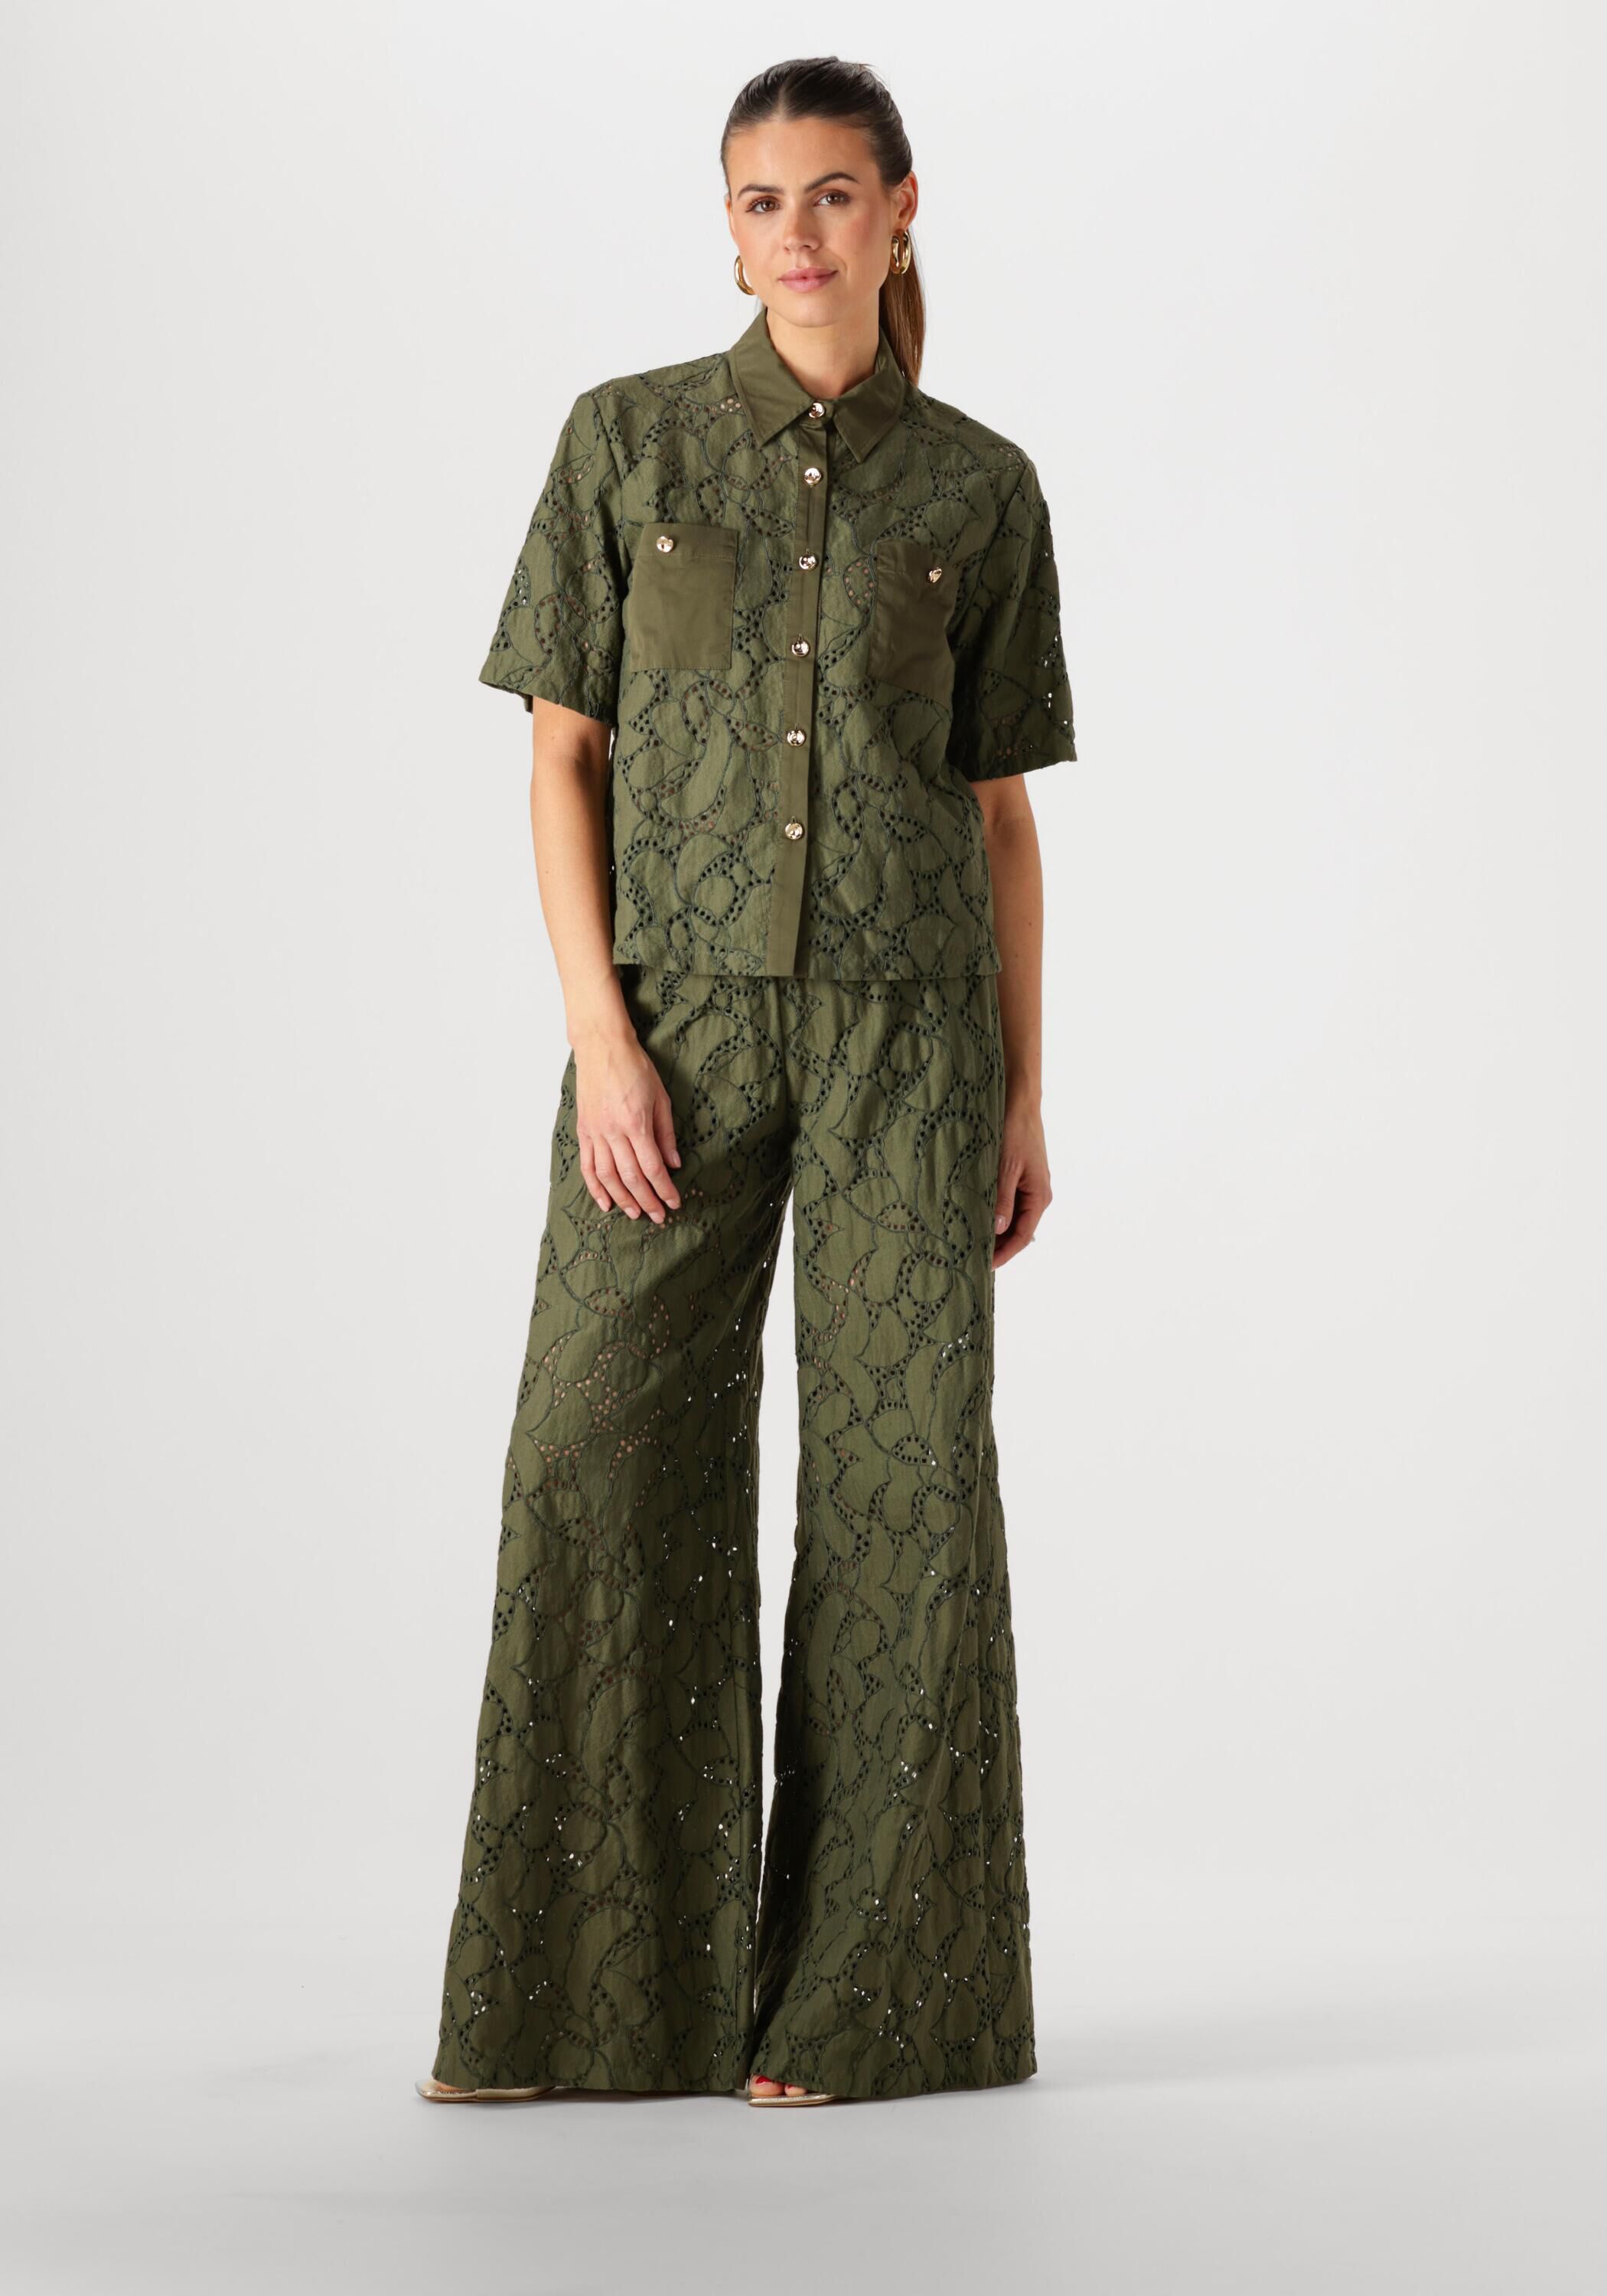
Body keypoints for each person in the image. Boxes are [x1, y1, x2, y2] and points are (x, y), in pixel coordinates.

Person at [417, 54, 1077, 2111]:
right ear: (727, 229)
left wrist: (1022, 1093)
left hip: (910, 1034)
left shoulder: (978, 488)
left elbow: (996, 817)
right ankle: (582, 2004)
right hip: (671, 1036)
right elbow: (562, 756)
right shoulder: (623, 443)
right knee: (594, 1454)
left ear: (899, 212)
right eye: (759, 199)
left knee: (904, 1492)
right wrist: (599, 1036)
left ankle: (874, 2007)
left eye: (832, 194)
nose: (795, 231)